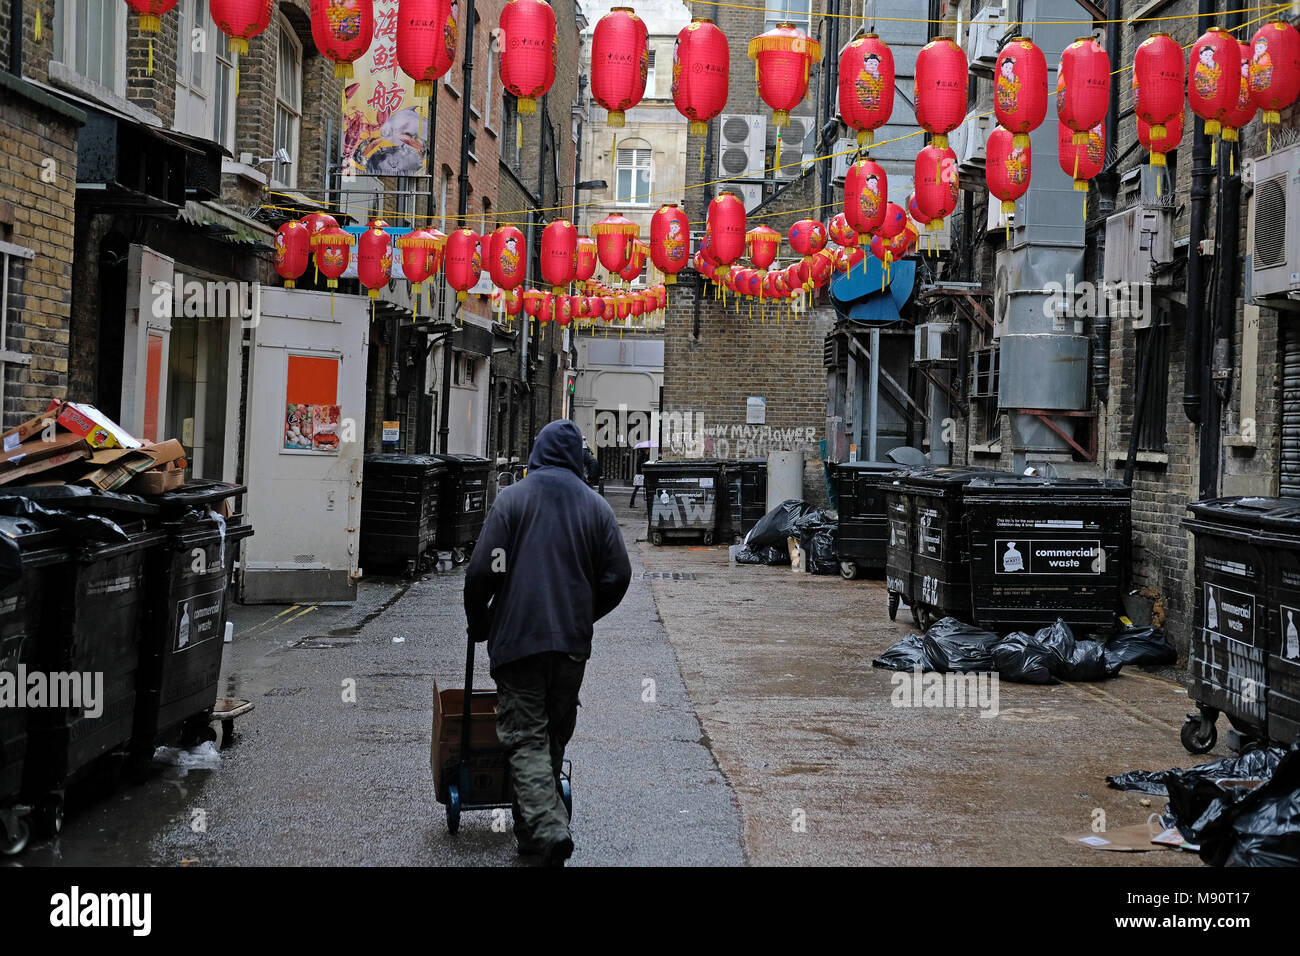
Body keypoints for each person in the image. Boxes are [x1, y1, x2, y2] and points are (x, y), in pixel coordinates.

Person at [463, 420, 631, 865]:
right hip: (570, 646)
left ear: (537, 451)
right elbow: (619, 575)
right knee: (552, 737)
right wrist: (583, 612)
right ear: (576, 457)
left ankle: (549, 827)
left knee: (526, 738)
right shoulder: (595, 508)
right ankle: (530, 833)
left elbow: (485, 569)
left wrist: (480, 621)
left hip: (519, 640)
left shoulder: (512, 501)